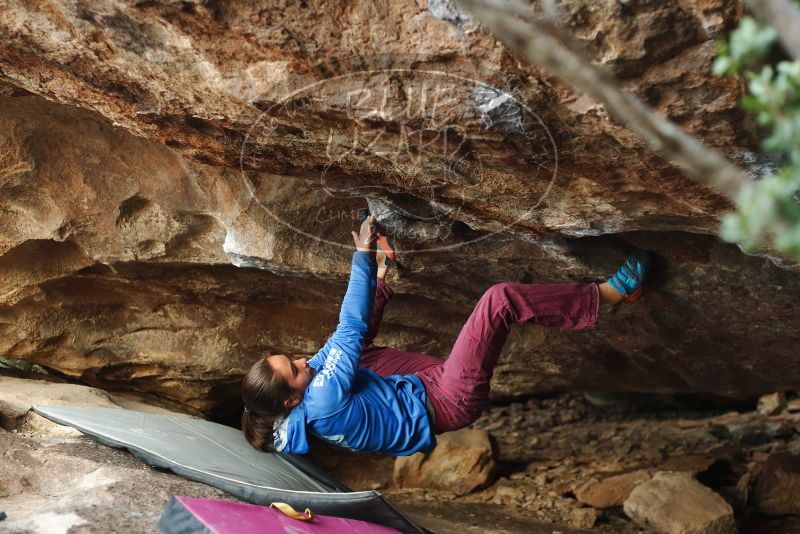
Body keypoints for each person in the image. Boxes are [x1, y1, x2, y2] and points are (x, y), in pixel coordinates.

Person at [241, 214, 650, 455]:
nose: (301, 361)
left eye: (289, 358)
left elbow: (343, 345)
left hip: (412, 389)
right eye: (293, 370)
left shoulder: (307, 399)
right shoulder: (323, 400)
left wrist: (379, 276)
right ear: (292, 399)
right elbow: (347, 329)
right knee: (499, 300)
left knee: (352, 355)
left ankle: (387, 275)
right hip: (446, 399)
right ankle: (609, 295)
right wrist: (361, 257)